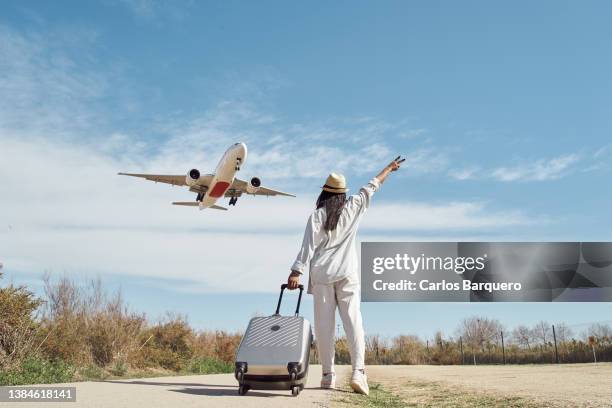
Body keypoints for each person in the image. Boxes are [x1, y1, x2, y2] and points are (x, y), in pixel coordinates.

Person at [287, 156, 405, 395]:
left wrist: (296, 271)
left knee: (324, 327)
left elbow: (307, 246)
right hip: (347, 273)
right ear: (342, 194)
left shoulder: (317, 215)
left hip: (322, 275)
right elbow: (372, 185)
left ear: (324, 193)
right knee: (353, 323)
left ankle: (328, 375)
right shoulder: (353, 207)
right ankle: (358, 372)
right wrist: (389, 169)